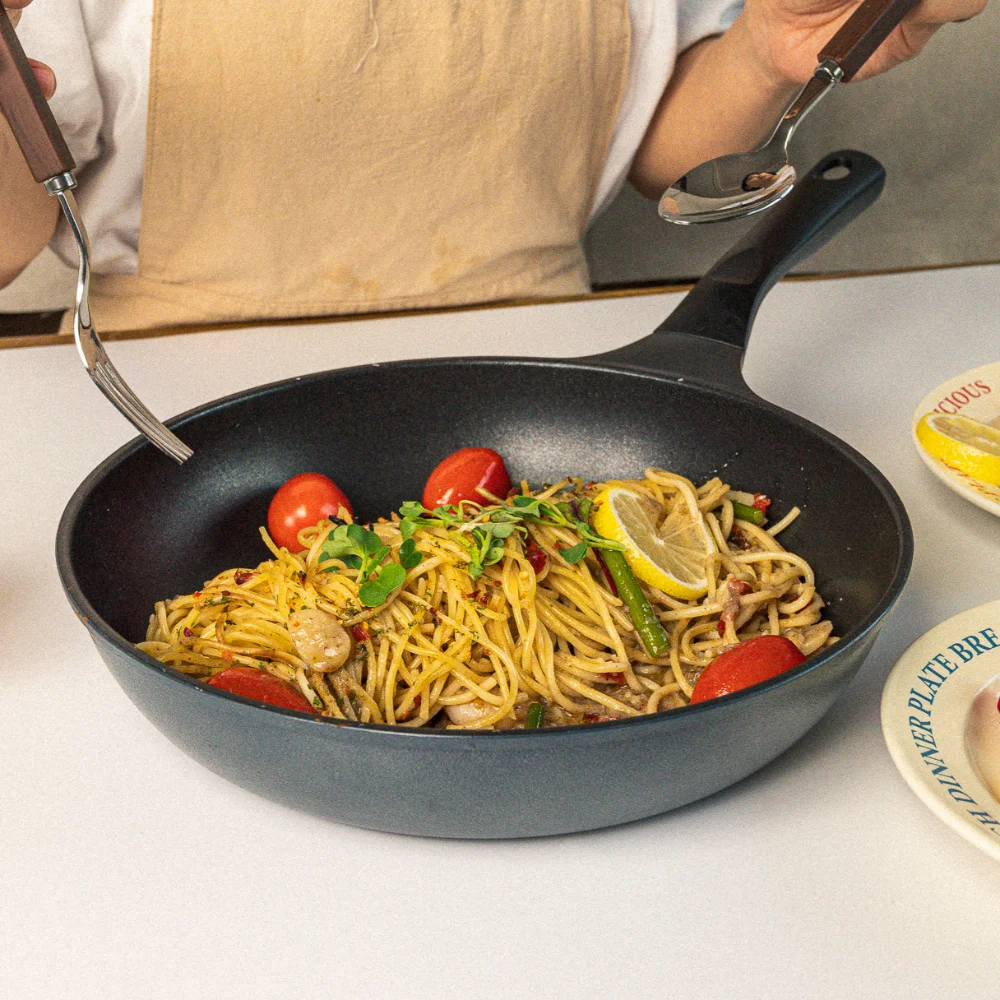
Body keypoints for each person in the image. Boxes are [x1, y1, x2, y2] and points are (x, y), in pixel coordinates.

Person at [0, 0, 987, 335]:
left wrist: (765, 50)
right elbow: (12, 239)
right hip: (164, 402)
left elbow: (662, 157)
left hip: (541, 385)